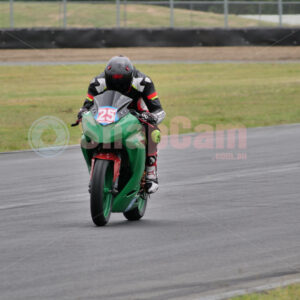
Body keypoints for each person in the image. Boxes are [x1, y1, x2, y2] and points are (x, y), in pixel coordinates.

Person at [77, 55, 166, 194]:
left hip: (136, 113)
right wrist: (82, 112)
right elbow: (86, 106)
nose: (118, 86)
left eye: (122, 82)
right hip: (108, 113)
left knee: (153, 131)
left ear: (130, 78)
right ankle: (94, 173)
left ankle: (151, 173)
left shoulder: (143, 82)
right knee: (86, 136)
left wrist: (152, 116)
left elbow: (158, 110)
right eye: (113, 82)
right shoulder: (97, 82)